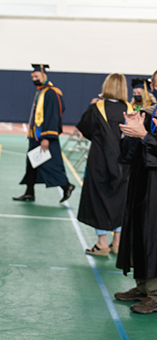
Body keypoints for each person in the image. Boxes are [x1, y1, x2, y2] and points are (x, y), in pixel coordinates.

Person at [76, 73, 133, 257]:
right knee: (120, 200)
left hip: (99, 161)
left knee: (99, 198)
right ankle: (117, 242)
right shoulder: (130, 109)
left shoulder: (97, 108)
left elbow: (85, 129)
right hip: (124, 162)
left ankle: (102, 244)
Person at [115, 96, 157, 314]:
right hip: (142, 184)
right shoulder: (149, 113)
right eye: (155, 84)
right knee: (140, 234)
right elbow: (130, 156)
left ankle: (156, 295)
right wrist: (131, 133)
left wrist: (145, 136)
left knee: (154, 239)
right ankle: (143, 289)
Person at [13, 64, 75, 202]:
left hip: (45, 137)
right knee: (31, 164)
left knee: (49, 164)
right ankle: (29, 192)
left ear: (44, 76)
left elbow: (53, 115)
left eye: (36, 76)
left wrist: (46, 137)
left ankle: (66, 186)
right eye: (33, 77)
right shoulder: (41, 91)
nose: (34, 79)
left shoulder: (51, 92)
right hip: (35, 136)